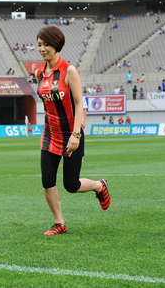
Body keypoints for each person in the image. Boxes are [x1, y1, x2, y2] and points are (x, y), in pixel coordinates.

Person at [35, 26, 110, 236]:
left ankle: (98, 186)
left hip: (71, 134)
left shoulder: (69, 70)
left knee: (71, 184)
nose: (42, 49)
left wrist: (76, 134)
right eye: (39, 44)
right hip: (50, 135)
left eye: (46, 44)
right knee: (47, 179)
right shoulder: (39, 72)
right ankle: (59, 223)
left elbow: (79, 104)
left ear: (56, 44)